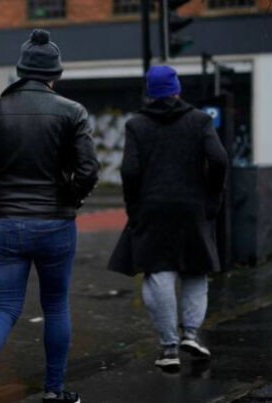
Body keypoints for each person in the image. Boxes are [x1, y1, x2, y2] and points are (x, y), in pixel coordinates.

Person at [0, 29, 99, 403]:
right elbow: (88, 171)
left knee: (4, 307)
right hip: (55, 223)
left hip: (5, 223)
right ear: (56, 74)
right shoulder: (73, 112)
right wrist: (71, 198)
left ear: (20, 71)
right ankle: (54, 390)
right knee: (55, 306)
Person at [108, 65, 228, 371]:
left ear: (150, 92)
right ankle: (191, 334)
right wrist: (212, 197)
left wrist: (133, 206)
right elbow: (218, 159)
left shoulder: (137, 125)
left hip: (153, 208)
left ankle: (169, 346)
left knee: (159, 273)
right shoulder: (199, 120)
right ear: (177, 89)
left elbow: (129, 170)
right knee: (196, 271)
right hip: (193, 207)